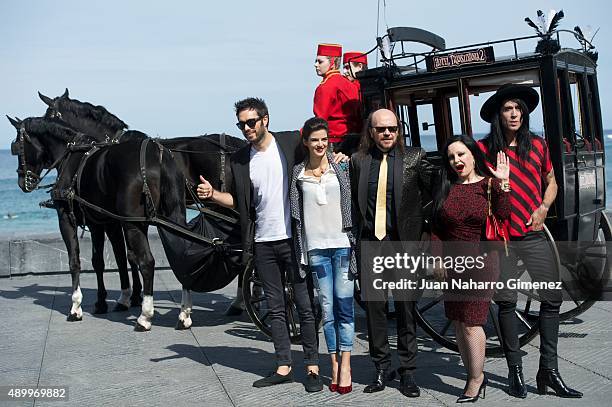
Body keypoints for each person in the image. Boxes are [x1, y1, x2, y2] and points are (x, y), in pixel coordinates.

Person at [197, 98, 338, 392]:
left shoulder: (289, 143)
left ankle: (312, 367)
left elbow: (319, 151)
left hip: (294, 239)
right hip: (262, 243)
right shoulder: (239, 159)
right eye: (241, 124)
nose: (246, 128)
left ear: (265, 120)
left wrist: (338, 158)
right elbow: (240, 202)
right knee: (275, 308)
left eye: (251, 122)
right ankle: (284, 366)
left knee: (305, 306)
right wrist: (213, 195)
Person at [478, 84, 583, 399]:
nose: (514, 114)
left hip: (534, 233)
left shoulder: (537, 145)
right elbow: (475, 193)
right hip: (502, 239)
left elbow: (551, 182)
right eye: (508, 109)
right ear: (498, 114)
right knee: (507, 303)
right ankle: (515, 372)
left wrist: (543, 207)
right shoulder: (484, 151)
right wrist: (497, 183)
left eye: (518, 109)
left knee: (552, 299)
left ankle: (548, 370)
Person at [350, 108, 437, 398]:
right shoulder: (358, 161)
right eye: (381, 129)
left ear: (399, 131)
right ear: (371, 132)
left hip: (404, 246)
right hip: (371, 245)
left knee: (405, 311)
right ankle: (380, 368)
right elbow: (350, 199)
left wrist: (426, 229)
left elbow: (436, 193)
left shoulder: (415, 157)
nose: (387, 133)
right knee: (374, 311)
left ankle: (408, 373)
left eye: (393, 128)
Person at [431, 135, 510, 403]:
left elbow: (504, 215)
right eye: (452, 157)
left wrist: (503, 182)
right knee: (457, 320)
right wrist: (437, 259)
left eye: (461, 154)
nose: (457, 161)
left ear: (473, 155)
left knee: (472, 322)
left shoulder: (489, 185)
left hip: (482, 262)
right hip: (453, 265)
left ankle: (476, 380)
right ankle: (472, 373)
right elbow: (437, 230)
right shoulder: (446, 187)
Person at [289, 117, 356, 394]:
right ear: (305, 142)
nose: (320, 144)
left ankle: (347, 363)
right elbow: (295, 214)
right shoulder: (298, 173)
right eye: (314, 139)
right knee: (327, 309)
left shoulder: (341, 166)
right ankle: (334, 363)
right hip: (315, 248)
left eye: (324, 139)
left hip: (342, 245)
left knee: (345, 307)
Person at [313, 43, 362, 153]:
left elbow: (319, 120)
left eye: (320, 61)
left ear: (332, 62)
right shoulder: (350, 84)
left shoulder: (326, 86)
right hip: (354, 141)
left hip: (334, 143)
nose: (316, 65)